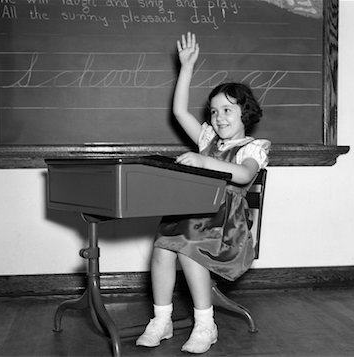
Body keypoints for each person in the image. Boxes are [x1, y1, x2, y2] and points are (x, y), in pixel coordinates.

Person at [136, 32, 271, 354]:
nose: (218, 117)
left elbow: (244, 175)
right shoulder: (208, 139)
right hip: (193, 212)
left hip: (225, 225)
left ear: (245, 113)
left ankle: (204, 323)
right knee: (162, 249)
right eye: (213, 111)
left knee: (189, 249)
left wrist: (203, 160)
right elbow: (180, 112)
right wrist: (186, 67)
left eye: (227, 110)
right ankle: (162, 319)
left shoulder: (253, 148)